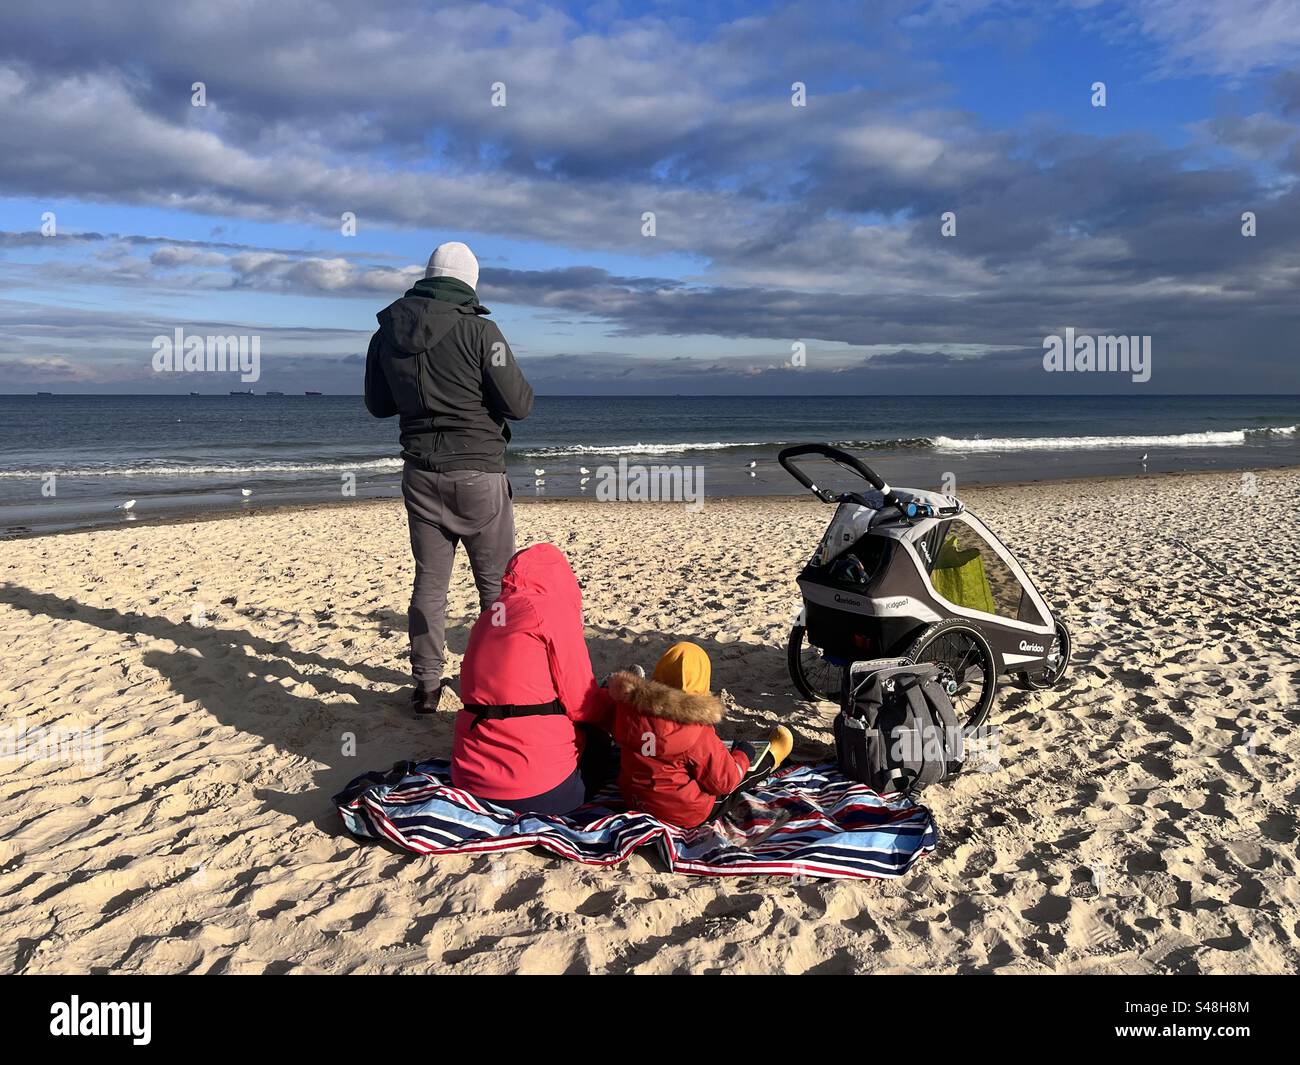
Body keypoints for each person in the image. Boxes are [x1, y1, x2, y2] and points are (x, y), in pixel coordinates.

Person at [364, 241, 534, 714]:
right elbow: (519, 406)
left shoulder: (386, 333)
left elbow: (379, 406)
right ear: (468, 283)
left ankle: (426, 685)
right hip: (478, 469)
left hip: (420, 472)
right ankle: (499, 677)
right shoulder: (482, 332)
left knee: (430, 582)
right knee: (495, 585)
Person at [452, 544, 615, 815]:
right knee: (598, 737)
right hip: (537, 792)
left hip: (469, 780)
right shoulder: (550, 612)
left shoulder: (490, 615)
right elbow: (582, 704)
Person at [608, 642, 794, 828]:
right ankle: (772, 758)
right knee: (739, 778)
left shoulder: (628, 712)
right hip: (683, 813)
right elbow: (724, 782)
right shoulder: (696, 730)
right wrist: (743, 755)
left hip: (635, 800)